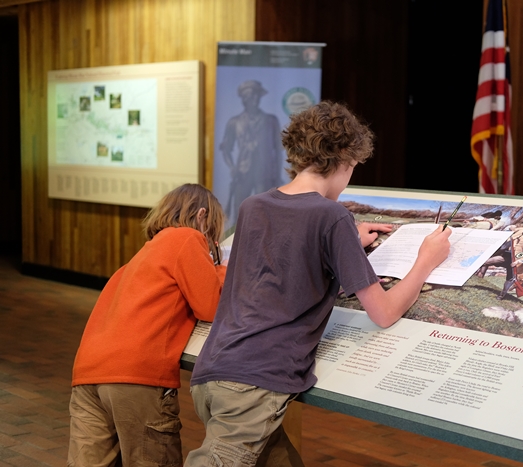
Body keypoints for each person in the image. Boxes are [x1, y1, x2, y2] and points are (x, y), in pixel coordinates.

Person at [185, 101, 451, 467]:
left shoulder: (252, 206)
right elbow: (384, 312)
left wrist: (344, 245)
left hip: (213, 371)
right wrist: (425, 262)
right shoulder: (332, 215)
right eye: (354, 167)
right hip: (257, 381)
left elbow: (280, 270)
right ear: (344, 159)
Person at [68, 184, 228, 467]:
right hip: (135, 376)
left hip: (88, 374)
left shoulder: (143, 254)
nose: (211, 240)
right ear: (202, 216)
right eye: (213, 232)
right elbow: (212, 307)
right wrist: (222, 267)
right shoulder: (186, 238)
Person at [220, 80, 285, 225]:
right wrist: (232, 168)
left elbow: (278, 151)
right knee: (239, 213)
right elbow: (225, 149)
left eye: (256, 96)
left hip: (265, 173)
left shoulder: (271, 121)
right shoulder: (234, 122)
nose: (254, 99)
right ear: (243, 99)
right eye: (250, 96)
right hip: (243, 173)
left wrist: (277, 175)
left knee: (267, 212)